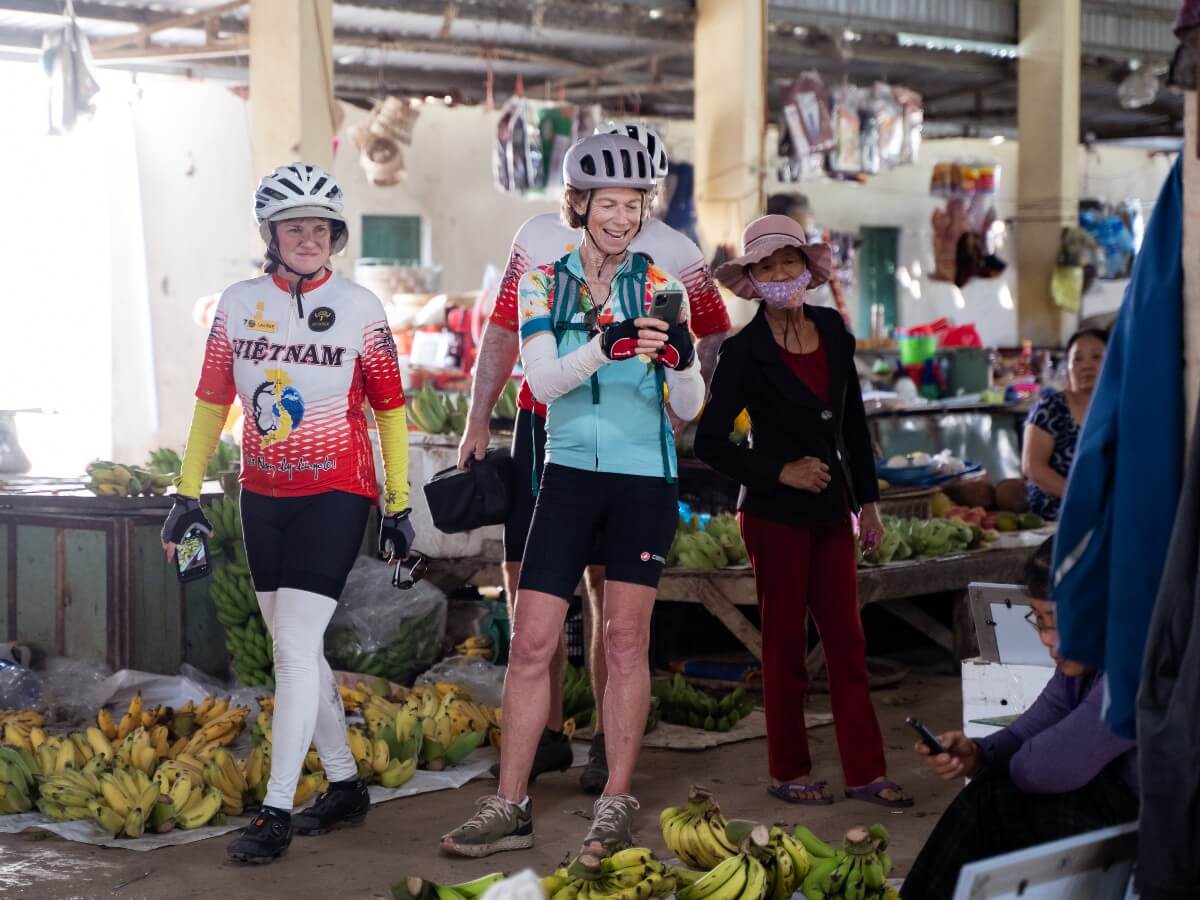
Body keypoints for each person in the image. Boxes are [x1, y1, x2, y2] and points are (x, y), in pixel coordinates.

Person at [441, 133, 705, 859]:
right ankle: (510, 802)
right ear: (579, 204)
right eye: (608, 204)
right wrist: (605, 344)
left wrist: (680, 363)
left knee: (625, 642)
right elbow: (543, 381)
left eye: (634, 204)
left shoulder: (662, 285)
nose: (622, 217)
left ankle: (616, 798)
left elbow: (689, 399)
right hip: (564, 475)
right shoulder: (542, 280)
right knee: (530, 644)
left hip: (644, 478)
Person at [160, 163, 416, 865]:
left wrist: (398, 503)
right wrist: (186, 492)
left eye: (321, 227)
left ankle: (274, 811)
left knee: (294, 649)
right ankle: (344, 784)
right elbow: (214, 404)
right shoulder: (237, 305)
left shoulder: (362, 308)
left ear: (335, 235)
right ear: (270, 236)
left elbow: (391, 412)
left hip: (337, 493)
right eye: (294, 227)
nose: (309, 238)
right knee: (297, 650)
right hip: (262, 496)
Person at [695, 214, 910, 809]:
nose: (782, 274)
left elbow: (852, 427)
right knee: (785, 647)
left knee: (847, 641)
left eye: (790, 262)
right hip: (772, 513)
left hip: (832, 509)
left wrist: (868, 503)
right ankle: (789, 770)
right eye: (767, 267)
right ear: (754, 281)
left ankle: (866, 772)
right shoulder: (742, 352)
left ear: (807, 269)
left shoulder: (834, 332)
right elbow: (711, 442)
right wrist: (778, 469)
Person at [900, 538, 1138, 900]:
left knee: (995, 800)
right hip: (1122, 810)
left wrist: (996, 764)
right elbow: (1042, 720)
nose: (1047, 640)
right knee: (990, 796)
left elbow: (1040, 768)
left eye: (1058, 623)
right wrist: (979, 754)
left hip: (1165, 834)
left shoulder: (1134, 669)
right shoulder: (1089, 659)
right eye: (1039, 621)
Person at [1022, 328, 1108, 520]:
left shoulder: (1119, 410)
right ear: (1067, 368)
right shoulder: (1051, 408)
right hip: (1057, 515)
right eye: (1077, 359)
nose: (1086, 365)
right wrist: (1083, 499)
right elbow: (1033, 467)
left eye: (1096, 357)